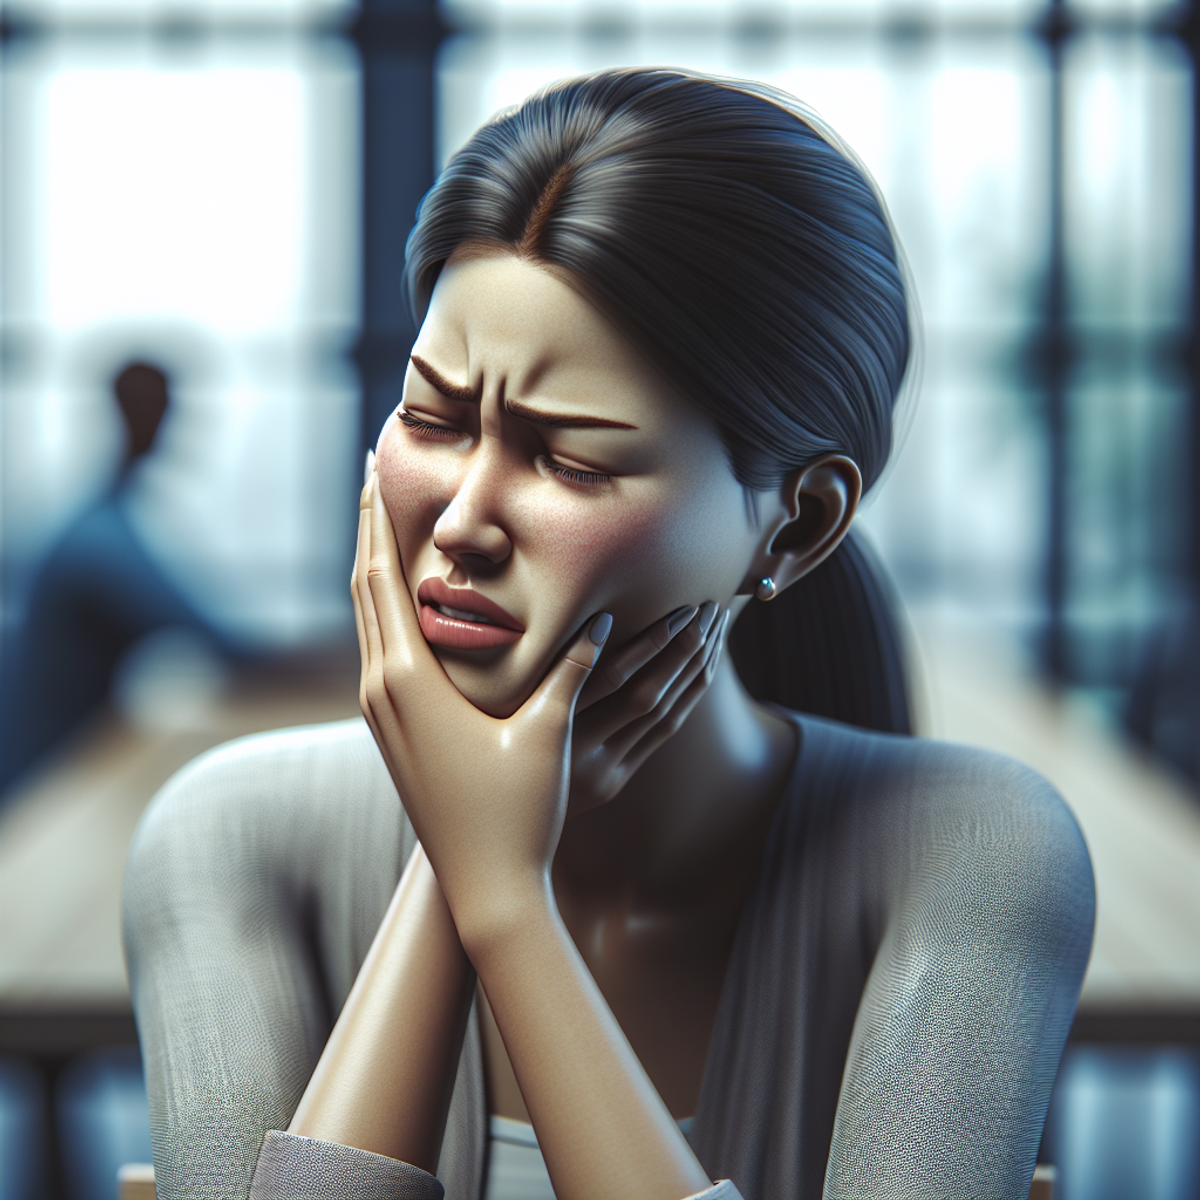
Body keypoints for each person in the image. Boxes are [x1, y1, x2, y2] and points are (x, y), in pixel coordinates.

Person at [122, 69, 1095, 1200]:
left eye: (570, 459)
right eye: (431, 418)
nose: (464, 518)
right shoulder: (229, 842)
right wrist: (459, 867)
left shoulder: (975, 855)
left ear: (797, 526)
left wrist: (502, 899)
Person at [0, 362, 220, 798]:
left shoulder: (102, 523)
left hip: (51, 773)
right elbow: (220, 641)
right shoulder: (99, 542)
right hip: (34, 789)